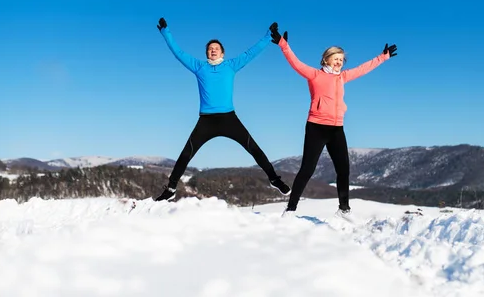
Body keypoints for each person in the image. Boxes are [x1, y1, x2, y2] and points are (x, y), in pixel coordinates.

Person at [154, 17, 291, 201]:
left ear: (222, 53)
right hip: (206, 120)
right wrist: (166, 32)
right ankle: (171, 189)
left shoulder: (231, 66)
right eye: (210, 49)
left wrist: (268, 36)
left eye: (216, 48)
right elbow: (178, 52)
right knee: (186, 154)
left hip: (229, 118)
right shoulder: (199, 67)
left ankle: (274, 179)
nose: (213, 50)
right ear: (207, 53)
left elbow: (251, 53)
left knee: (253, 148)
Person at [269, 27, 397, 220]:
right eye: (335, 58)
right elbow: (295, 63)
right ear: (326, 59)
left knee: (343, 168)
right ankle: (291, 209)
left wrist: (383, 57)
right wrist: (283, 45)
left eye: (341, 59)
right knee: (307, 169)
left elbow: (363, 69)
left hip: (337, 128)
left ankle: (344, 208)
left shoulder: (342, 77)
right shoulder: (314, 75)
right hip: (316, 127)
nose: (339, 62)